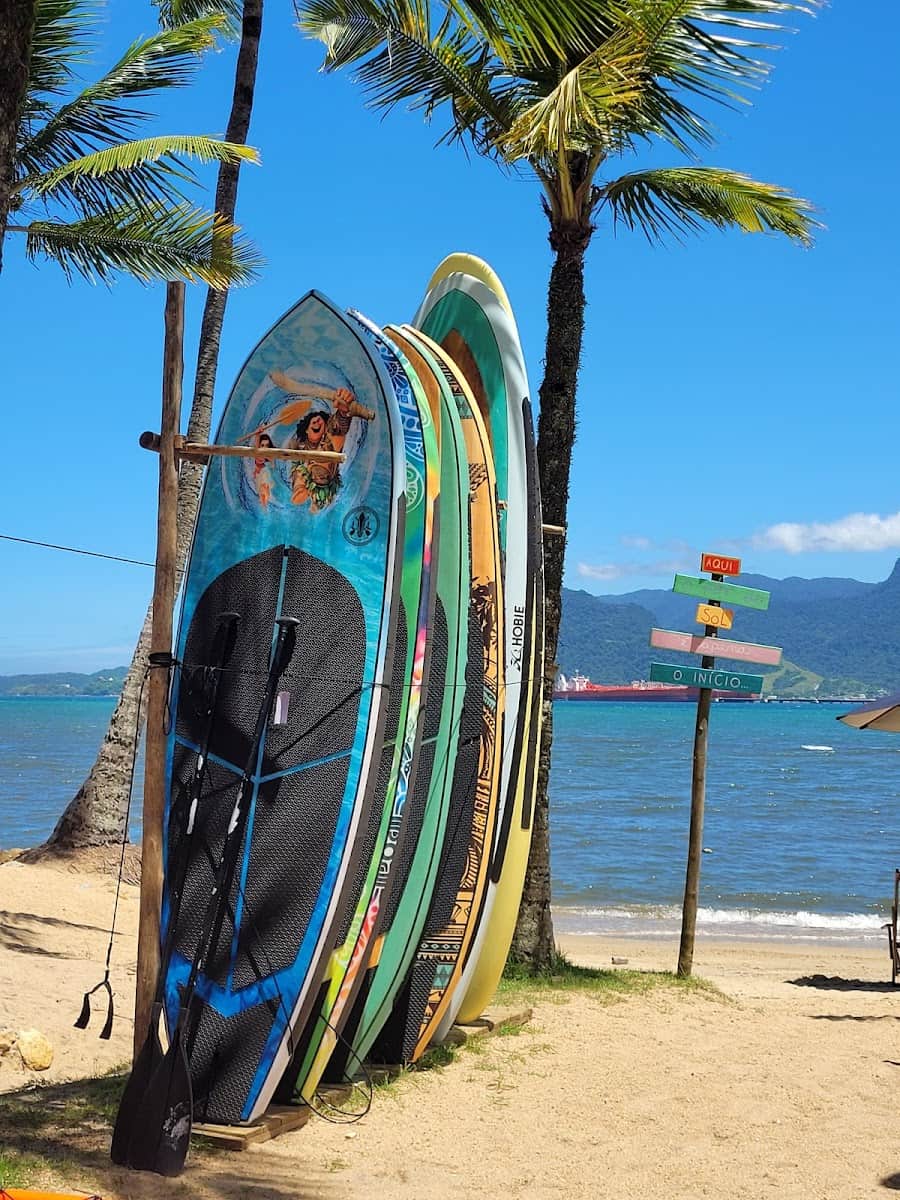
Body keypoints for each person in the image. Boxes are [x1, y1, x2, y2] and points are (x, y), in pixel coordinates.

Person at [287, 388, 358, 511]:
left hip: (326, 484)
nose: (318, 421)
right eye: (313, 422)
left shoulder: (329, 441)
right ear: (306, 430)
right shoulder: (298, 447)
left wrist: (343, 411)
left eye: (321, 421)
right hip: (306, 481)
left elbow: (338, 429)